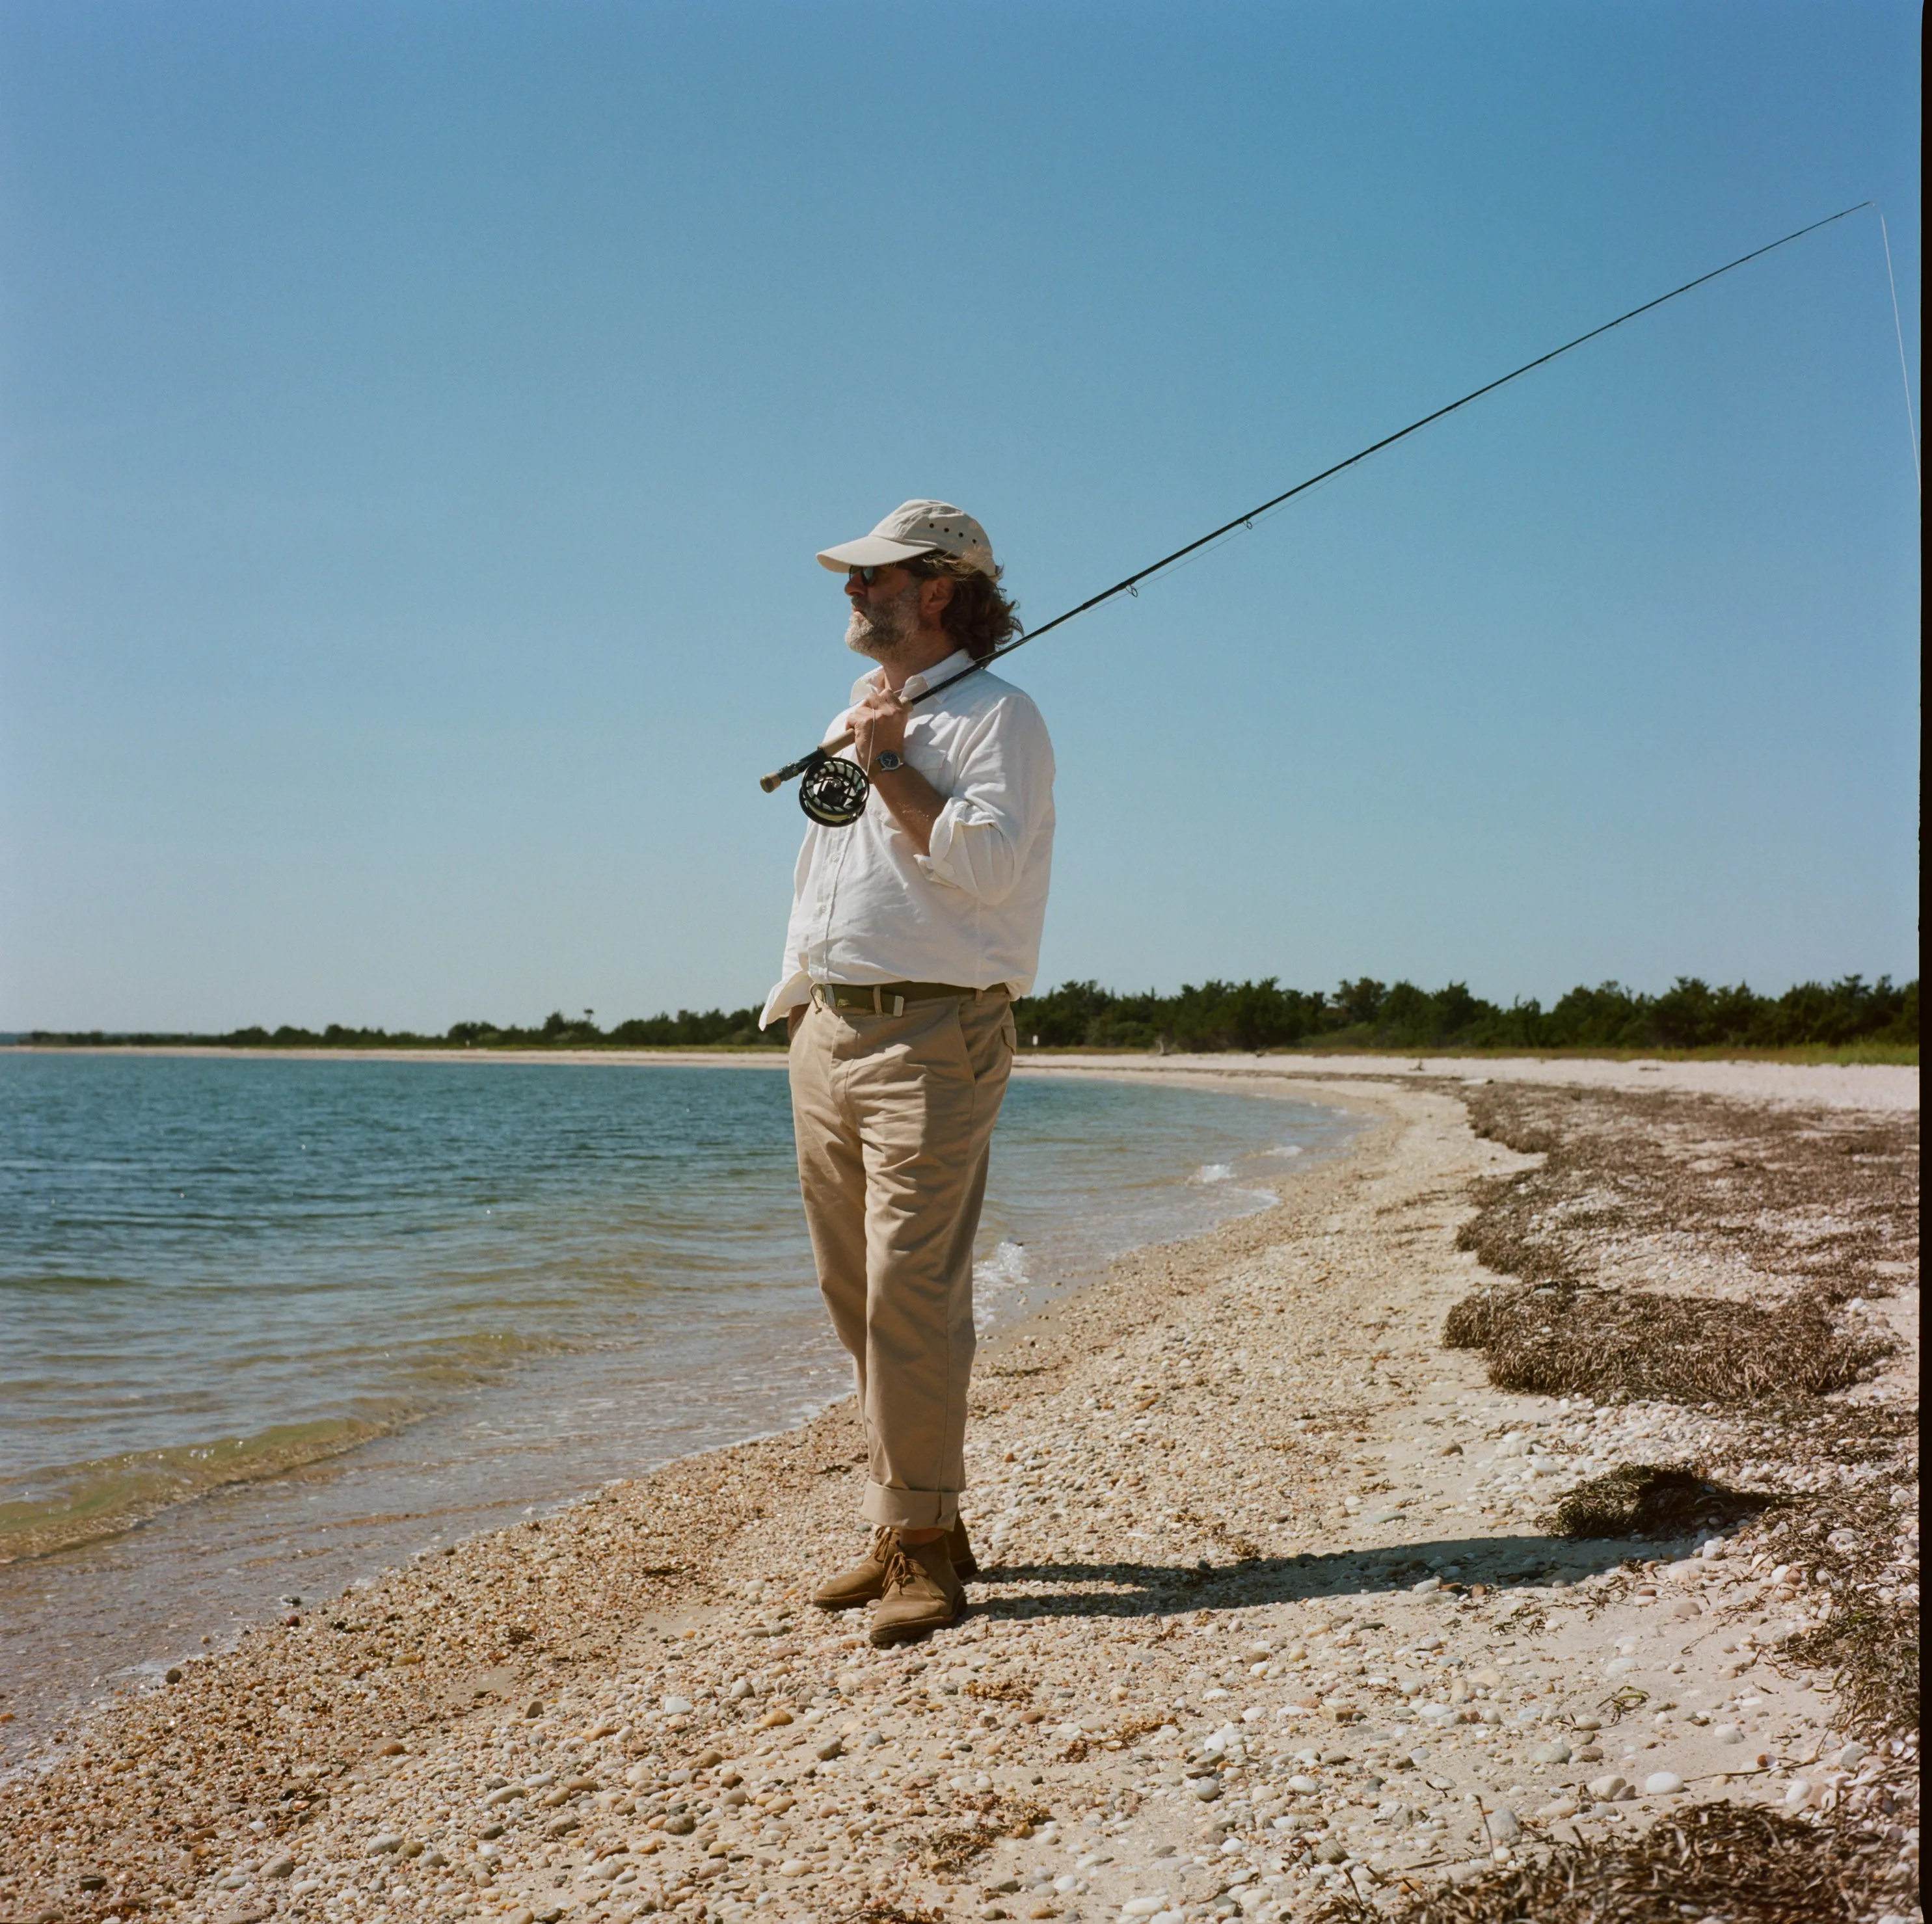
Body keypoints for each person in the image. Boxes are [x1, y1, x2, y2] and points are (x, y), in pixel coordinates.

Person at [760, 500, 1056, 1646]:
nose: (852, 591)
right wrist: (795, 998)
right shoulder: (858, 713)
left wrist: (888, 761)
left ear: (939, 589)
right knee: (854, 1296)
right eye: (850, 577)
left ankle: (926, 1548)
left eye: (873, 577)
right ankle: (908, 1516)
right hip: (826, 1033)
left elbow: (982, 868)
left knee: (910, 1297)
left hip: (935, 1035)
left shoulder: (999, 717)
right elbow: (828, 878)